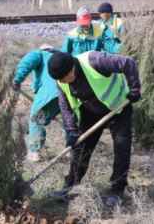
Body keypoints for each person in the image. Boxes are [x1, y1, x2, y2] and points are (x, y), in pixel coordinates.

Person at [47, 51, 141, 208]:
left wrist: (134, 89)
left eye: (63, 78)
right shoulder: (61, 81)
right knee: (81, 148)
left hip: (118, 107)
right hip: (90, 111)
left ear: (71, 69)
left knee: (121, 146)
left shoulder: (95, 61)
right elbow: (65, 106)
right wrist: (73, 131)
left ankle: (117, 189)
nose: (62, 82)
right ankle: (70, 186)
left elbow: (127, 63)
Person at [12, 44, 61, 162]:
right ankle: (75, 151)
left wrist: (17, 79)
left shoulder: (40, 54)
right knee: (70, 122)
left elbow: (27, 62)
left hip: (49, 92)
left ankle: (34, 153)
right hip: (69, 92)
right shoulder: (63, 55)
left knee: (36, 120)